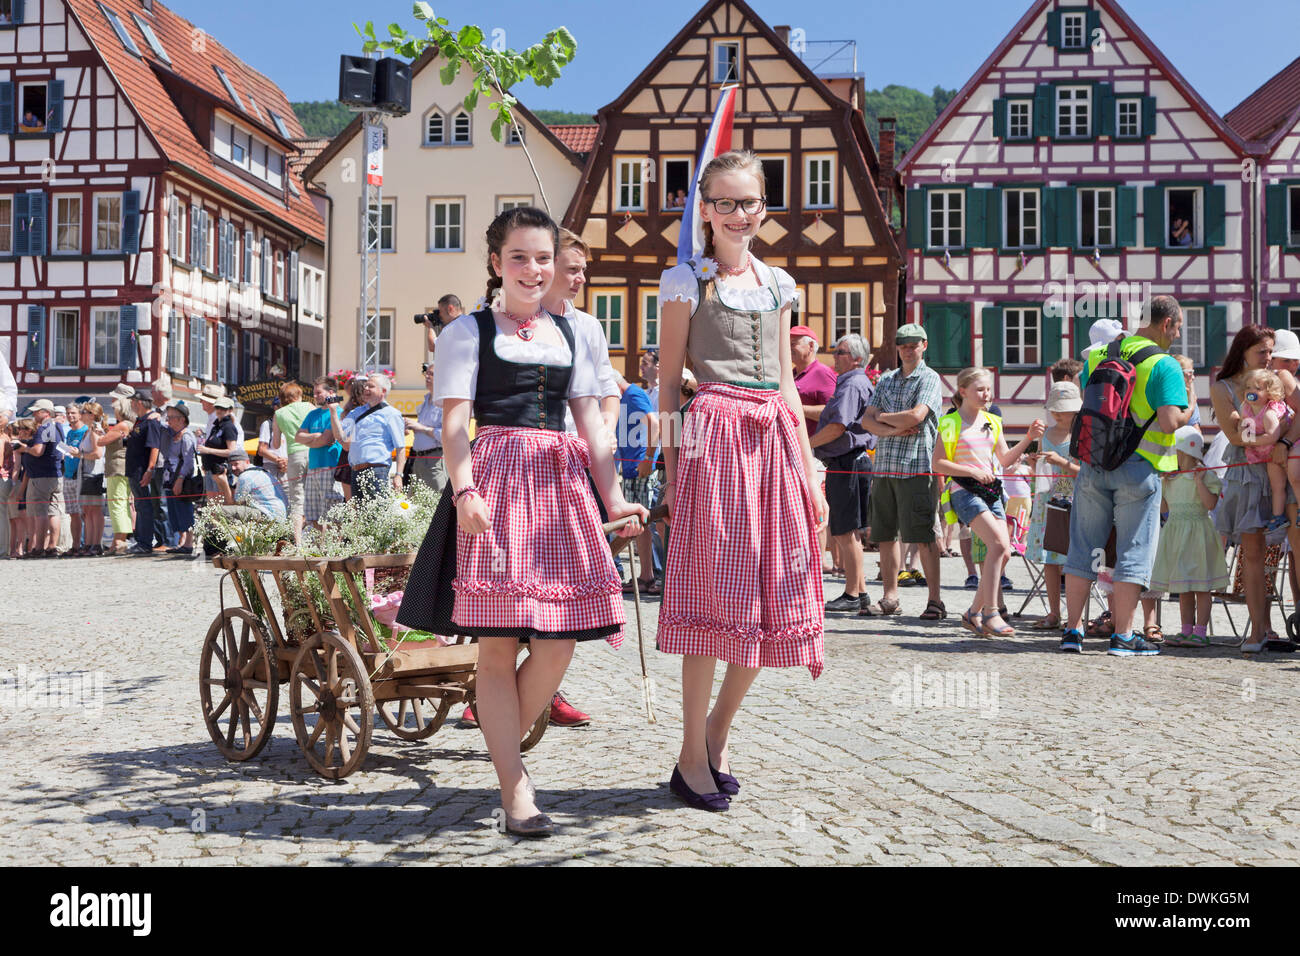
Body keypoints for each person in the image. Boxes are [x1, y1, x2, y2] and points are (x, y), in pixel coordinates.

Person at [396, 205, 646, 837]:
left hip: (559, 489)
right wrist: (465, 490)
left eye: (542, 258)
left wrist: (613, 497)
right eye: (520, 258)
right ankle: (516, 787)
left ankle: (501, 732)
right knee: (499, 642)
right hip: (497, 485)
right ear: (495, 261)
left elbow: (590, 422)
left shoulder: (574, 332)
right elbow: (455, 423)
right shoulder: (467, 332)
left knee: (560, 638)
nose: (534, 270)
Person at [657, 150, 826, 811]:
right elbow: (669, 385)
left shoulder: (779, 282)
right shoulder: (683, 281)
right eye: (722, 202)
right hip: (713, 440)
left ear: (764, 207)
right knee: (714, 603)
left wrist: (810, 470)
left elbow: (785, 380)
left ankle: (717, 733)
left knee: (770, 597)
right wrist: (673, 473)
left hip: (776, 441)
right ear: (704, 209)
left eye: (748, 202)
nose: (736, 214)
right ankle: (690, 758)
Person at [1061, 295, 1190, 656]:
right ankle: (1124, 636)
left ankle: (1073, 631)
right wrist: (1190, 406)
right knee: (1134, 550)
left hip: (1093, 462)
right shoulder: (1165, 365)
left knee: (1083, 546)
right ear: (1166, 323)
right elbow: (1169, 421)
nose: (1177, 336)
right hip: (1139, 468)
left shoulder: (1101, 355)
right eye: (1178, 328)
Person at [934, 368, 1043, 636]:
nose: (987, 394)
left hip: (991, 491)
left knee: (1003, 551)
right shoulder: (949, 423)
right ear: (963, 391)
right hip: (964, 491)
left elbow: (1004, 461)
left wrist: (1028, 438)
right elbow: (937, 462)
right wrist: (970, 470)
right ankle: (991, 612)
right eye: (980, 390)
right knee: (997, 545)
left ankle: (973, 613)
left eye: (988, 389)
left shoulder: (993, 421)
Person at [860, 323, 944, 619]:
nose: (908, 349)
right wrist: (894, 429)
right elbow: (866, 422)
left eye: (913, 344)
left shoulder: (929, 378)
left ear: (924, 345)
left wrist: (882, 419)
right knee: (885, 535)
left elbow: (917, 415)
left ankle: (935, 601)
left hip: (917, 466)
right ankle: (890, 597)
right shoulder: (886, 378)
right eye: (903, 344)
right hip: (884, 467)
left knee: (923, 535)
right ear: (897, 347)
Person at [812, 333, 876, 614]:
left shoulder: (852, 383)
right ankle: (859, 591)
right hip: (850, 461)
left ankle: (852, 593)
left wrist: (807, 445)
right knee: (849, 531)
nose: (835, 356)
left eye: (840, 352)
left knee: (846, 531)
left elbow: (838, 427)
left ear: (857, 358)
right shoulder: (853, 381)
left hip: (847, 461)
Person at [1148, 426, 1228, 647]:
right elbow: (1164, 507)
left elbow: (1210, 504)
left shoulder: (1204, 474)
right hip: (1176, 532)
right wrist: (1161, 484)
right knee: (1183, 587)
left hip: (1198, 534)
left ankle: (1200, 631)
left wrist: (1199, 481)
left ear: (1183, 451)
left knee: (1201, 586)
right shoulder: (1171, 479)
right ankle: (1186, 630)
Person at [1023, 382, 1082, 629]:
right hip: (1047, 500)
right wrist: (1035, 463)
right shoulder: (1045, 435)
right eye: (1054, 409)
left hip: (1074, 501)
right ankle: (1054, 612)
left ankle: (1075, 615)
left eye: (1063, 409)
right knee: (1050, 559)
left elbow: (1087, 473)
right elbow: (1040, 472)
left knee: (1073, 561)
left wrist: (1062, 462)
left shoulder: (1081, 435)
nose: (1057, 414)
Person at [1233, 368, 1293, 535]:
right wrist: (1243, 433)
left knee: (1279, 484)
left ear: (1269, 392)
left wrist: (1250, 440)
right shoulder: (1246, 408)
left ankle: (1278, 516)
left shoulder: (1269, 413)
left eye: (1257, 389)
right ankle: (1277, 515)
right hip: (1263, 451)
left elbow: (1272, 437)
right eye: (1248, 388)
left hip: (1276, 450)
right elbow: (1244, 428)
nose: (1251, 392)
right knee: (1275, 486)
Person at [330, 373, 407, 500]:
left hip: (377, 470)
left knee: (375, 514)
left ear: (383, 391)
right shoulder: (356, 412)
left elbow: (400, 448)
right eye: (365, 386)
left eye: (371, 386)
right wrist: (333, 412)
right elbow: (340, 437)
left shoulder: (392, 414)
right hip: (355, 470)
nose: (366, 389)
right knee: (360, 517)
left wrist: (398, 475)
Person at [16, 398, 65, 556]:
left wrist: (24, 448)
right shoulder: (57, 427)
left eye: (36, 411)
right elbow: (62, 451)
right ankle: (51, 546)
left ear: (45, 412)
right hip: (55, 474)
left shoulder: (45, 428)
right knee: (53, 512)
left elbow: (38, 451)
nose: (34, 414)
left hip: (42, 476)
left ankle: (39, 548)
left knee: (41, 512)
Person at [294, 376, 344, 529]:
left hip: (330, 466)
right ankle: (321, 547)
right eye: (314, 393)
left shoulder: (338, 412)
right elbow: (298, 437)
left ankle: (332, 546)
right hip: (313, 466)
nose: (315, 396)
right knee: (312, 514)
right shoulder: (312, 414)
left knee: (331, 513)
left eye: (318, 393)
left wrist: (311, 439)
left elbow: (327, 439)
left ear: (330, 392)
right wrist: (315, 437)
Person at [124, 390, 168, 555]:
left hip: (142, 469)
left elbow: (154, 447)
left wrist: (150, 469)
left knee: (144, 505)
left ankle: (145, 542)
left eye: (132, 402)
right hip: (134, 468)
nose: (131, 405)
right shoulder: (141, 420)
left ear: (139, 402)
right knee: (140, 504)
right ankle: (142, 541)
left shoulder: (151, 422)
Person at [272, 382, 314, 544]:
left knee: (297, 500)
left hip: (294, 456)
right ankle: (319, 540)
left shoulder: (279, 414)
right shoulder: (309, 406)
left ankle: (298, 543)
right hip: (313, 452)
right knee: (316, 497)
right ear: (298, 395)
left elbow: (275, 444)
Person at [98, 391, 135, 555]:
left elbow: (102, 441)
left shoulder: (122, 425)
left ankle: (120, 540)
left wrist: (99, 432)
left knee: (116, 504)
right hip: (125, 467)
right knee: (123, 504)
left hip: (117, 468)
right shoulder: (131, 424)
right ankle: (118, 540)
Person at [162, 403, 199, 554]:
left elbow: (189, 461)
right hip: (170, 477)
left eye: (171, 417)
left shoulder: (187, 436)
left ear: (181, 419)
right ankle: (182, 542)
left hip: (182, 479)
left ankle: (188, 543)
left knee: (184, 510)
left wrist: (180, 479)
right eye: (168, 417)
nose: (168, 420)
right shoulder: (172, 435)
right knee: (174, 511)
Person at [219, 445, 287, 520]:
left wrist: (223, 481)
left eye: (236, 464)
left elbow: (236, 503)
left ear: (247, 461)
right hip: (282, 514)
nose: (233, 468)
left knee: (221, 511)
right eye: (231, 465)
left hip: (269, 514)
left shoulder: (245, 476)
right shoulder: (262, 471)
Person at [74, 402, 107, 556]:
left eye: (84, 411)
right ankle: (88, 543)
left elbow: (98, 454)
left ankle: (96, 543)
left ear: (92, 414)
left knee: (94, 509)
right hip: (86, 472)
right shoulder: (88, 431)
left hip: (94, 473)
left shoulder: (94, 431)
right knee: (87, 509)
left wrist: (79, 455)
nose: (81, 413)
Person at [407, 363, 446, 493]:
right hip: (419, 459)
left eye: (432, 374)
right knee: (417, 505)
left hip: (435, 459)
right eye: (426, 373)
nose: (427, 377)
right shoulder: (426, 400)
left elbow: (445, 435)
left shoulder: (444, 402)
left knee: (436, 502)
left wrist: (421, 428)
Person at [197, 396, 240, 505]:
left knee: (222, 506)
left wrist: (208, 451)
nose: (219, 410)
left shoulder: (229, 427)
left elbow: (231, 451)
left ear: (230, 410)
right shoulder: (216, 426)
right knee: (213, 506)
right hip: (210, 469)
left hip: (220, 470)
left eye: (223, 408)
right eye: (217, 408)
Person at [61, 403, 87, 554]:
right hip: (68, 475)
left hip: (81, 475)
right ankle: (76, 545)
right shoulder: (70, 432)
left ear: (80, 414)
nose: (71, 416)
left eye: (73, 413)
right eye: (68, 413)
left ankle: (86, 543)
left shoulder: (85, 431)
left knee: (84, 512)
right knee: (72, 513)